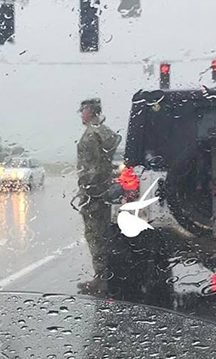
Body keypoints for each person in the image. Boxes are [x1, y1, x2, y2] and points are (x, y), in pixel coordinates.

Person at [75, 98, 122, 296]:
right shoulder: (103, 131)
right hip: (103, 190)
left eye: (83, 111)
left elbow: (92, 167)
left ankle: (102, 279)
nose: (81, 114)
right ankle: (104, 276)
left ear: (91, 111)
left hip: (94, 192)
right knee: (101, 234)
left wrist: (87, 189)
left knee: (95, 235)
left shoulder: (91, 135)